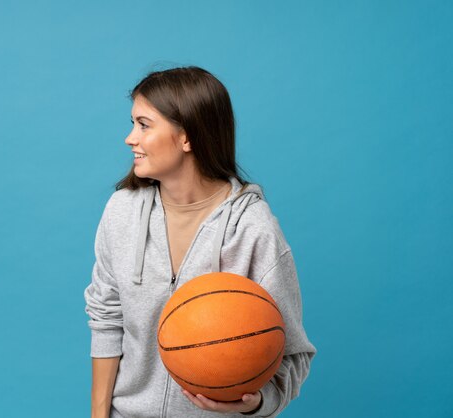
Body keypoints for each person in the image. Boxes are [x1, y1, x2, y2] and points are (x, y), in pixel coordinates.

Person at [84, 66, 316, 418]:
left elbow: (293, 355)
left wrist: (257, 403)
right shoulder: (122, 211)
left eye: (144, 125)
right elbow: (106, 319)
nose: (130, 138)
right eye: (133, 124)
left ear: (187, 137)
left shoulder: (252, 229)